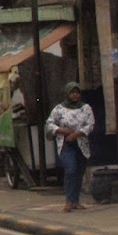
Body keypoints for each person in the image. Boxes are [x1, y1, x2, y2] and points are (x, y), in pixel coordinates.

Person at [46, 81, 95, 212]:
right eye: (72, 92)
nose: (75, 95)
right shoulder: (59, 109)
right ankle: (68, 200)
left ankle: (75, 201)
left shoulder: (86, 108)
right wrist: (63, 131)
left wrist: (76, 134)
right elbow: (50, 124)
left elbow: (90, 125)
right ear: (67, 93)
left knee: (79, 171)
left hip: (81, 144)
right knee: (71, 169)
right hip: (66, 144)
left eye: (77, 92)